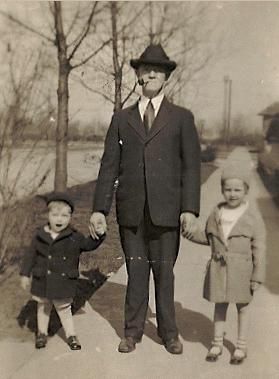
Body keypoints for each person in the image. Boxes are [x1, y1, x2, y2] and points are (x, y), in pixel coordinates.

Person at [89, 44, 201, 354]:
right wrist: (99, 209)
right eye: (145, 69)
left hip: (167, 212)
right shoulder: (121, 119)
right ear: (138, 75)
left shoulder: (181, 118)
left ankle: (170, 333)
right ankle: (132, 333)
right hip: (132, 212)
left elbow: (192, 167)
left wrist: (189, 209)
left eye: (158, 69)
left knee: (165, 274)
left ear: (166, 77)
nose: (151, 73)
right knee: (136, 273)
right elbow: (108, 165)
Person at [186, 164, 266, 364]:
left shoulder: (252, 218)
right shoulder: (216, 213)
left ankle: (241, 346)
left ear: (246, 190)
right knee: (220, 306)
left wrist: (257, 276)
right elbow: (209, 237)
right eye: (228, 189)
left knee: (243, 308)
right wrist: (189, 233)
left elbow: (259, 249)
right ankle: (217, 343)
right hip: (220, 269)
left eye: (238, 190)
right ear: (222, 190)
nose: (232, 194)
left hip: (242, 271)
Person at [20, 192, 105, 350]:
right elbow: (30, 256)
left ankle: (71, 335)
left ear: (70, 217)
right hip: (43, 280)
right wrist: (25, 274)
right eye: (55, 215)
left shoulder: (74, 237)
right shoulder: (40, 236)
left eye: (64, 216)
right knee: (43, 307)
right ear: (48, 215)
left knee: (64, 309)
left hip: (63, 282)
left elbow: (88, 245)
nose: (59, 219)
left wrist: (99, 236)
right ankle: (42, 334)